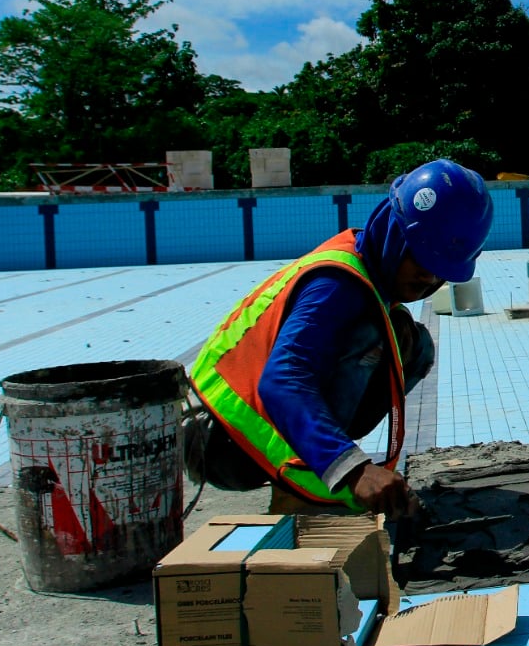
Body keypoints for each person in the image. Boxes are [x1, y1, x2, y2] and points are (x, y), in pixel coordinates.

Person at [184, 159, 493, 517]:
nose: (430, 278)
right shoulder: (336, 285)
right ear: (395, 233)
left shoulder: (368, 266)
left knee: (410, 341)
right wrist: (351, 469)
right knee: (371, 334)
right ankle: (301, 493)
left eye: (442, 271)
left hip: (243, 425)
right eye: (423, 260)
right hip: (218, 437)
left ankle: (321, 454)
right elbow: (282, 381)